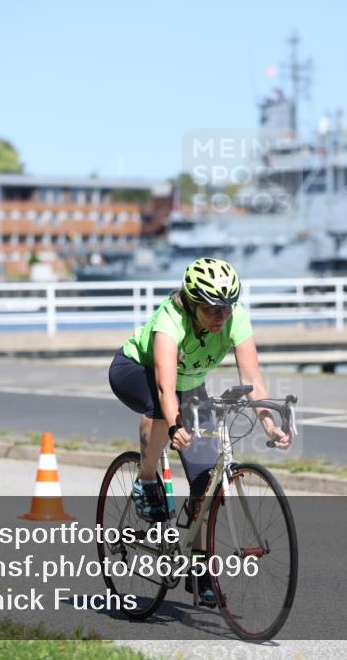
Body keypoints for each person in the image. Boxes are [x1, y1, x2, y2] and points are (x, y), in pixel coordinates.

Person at [108, 257, 291, 604]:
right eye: (212, 309)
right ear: (192, 304)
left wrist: (269, 423)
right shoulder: (170, 320)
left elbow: (252, 379)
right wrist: (176, 425)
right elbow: (164, 388)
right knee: (160, 413)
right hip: (136, 371)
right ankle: (146, 480)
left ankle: (201, 569)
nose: (222, 316)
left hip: (189, 386)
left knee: (204, 484)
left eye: (227, 307)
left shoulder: (236, 318)